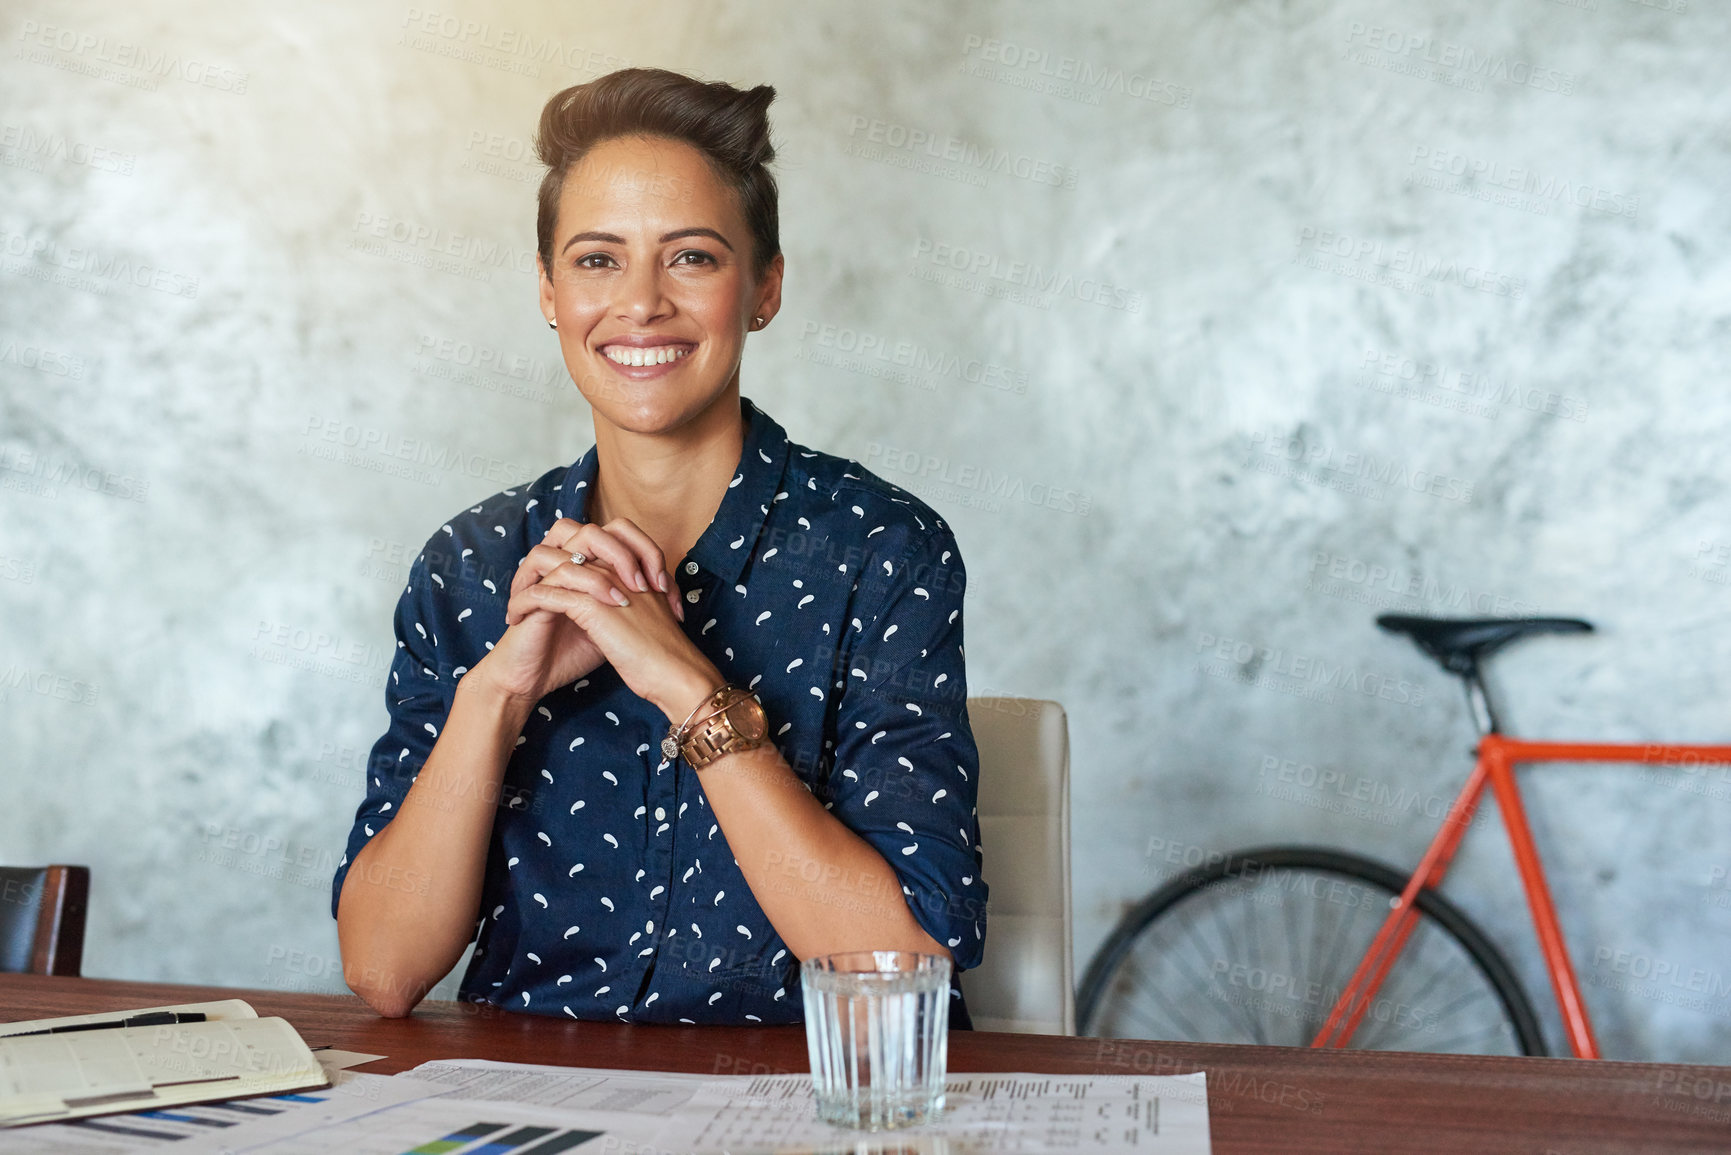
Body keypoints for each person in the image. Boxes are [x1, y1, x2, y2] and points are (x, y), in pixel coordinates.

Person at [330, 68, 988, 1025]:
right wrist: (499, 691)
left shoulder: (883, 548)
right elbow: (383, 970)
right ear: (549, 292)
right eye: (597, 260)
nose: (640, 303)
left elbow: (902, 966)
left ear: (762, 288)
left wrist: (687, 684)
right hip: (531, 1098)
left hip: (801, 1103)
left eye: (691, 258)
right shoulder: (469, 563)